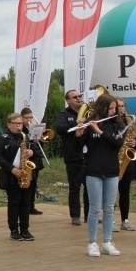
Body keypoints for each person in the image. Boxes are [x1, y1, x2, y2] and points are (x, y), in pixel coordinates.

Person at [76, 95, 123, 257]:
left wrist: (100, 131)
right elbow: (78, 147)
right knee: (95, 208)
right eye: (110, 108)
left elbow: (117, 143)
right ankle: (92, 242)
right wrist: (79, 134)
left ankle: (108, 241)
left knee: (109, 208)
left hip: (111, 169)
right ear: (102, 107)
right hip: (93, 169)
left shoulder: (116, 124)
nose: (113, 111)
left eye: (114, 108)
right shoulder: (90, 123)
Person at [0, 114, 36, 241]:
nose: (18, 126)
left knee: (26, 203)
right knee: (14, 203)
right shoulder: (4, 138)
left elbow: (38, 154)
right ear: (8, 124)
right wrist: (12, 169)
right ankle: (14, 229)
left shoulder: (26, 137)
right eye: (15, 123)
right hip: (12, 175)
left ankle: (25, 229)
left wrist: (32, 152)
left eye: (20, 124)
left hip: (26, 174)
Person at [55, 90, 89, 225]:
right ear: (68, 101)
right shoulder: (64, 114)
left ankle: (89, 215)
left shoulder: (88, 112)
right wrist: (76, 122)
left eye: (80, 96)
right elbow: (59, 128)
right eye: (75, 97)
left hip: (88, 155)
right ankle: (75, 215)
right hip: (73, 155)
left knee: (89, 186)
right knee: (75, 187)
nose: (79, 98)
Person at [115, 97, 136, 232]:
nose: (121, 109)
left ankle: (125, 220)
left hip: (126, 160)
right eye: (118, 106)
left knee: (125, 192)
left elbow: (135, 138)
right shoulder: (110, 123)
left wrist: (134, 143)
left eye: (123, 106)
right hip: (113, 159)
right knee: (111, 193)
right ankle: (110, 220)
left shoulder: (129, 122)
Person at [20, 107, 45, 216]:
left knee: (34, 183)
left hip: (35, 159)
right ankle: (24, 206)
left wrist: (38, 140)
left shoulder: (34, 128)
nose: (29, 120)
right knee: (27, 184)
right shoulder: (20, 129)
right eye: (26, 118)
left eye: (31, 117)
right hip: (24, 159)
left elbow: (40, 147)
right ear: (22, 118)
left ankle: (31, 206)